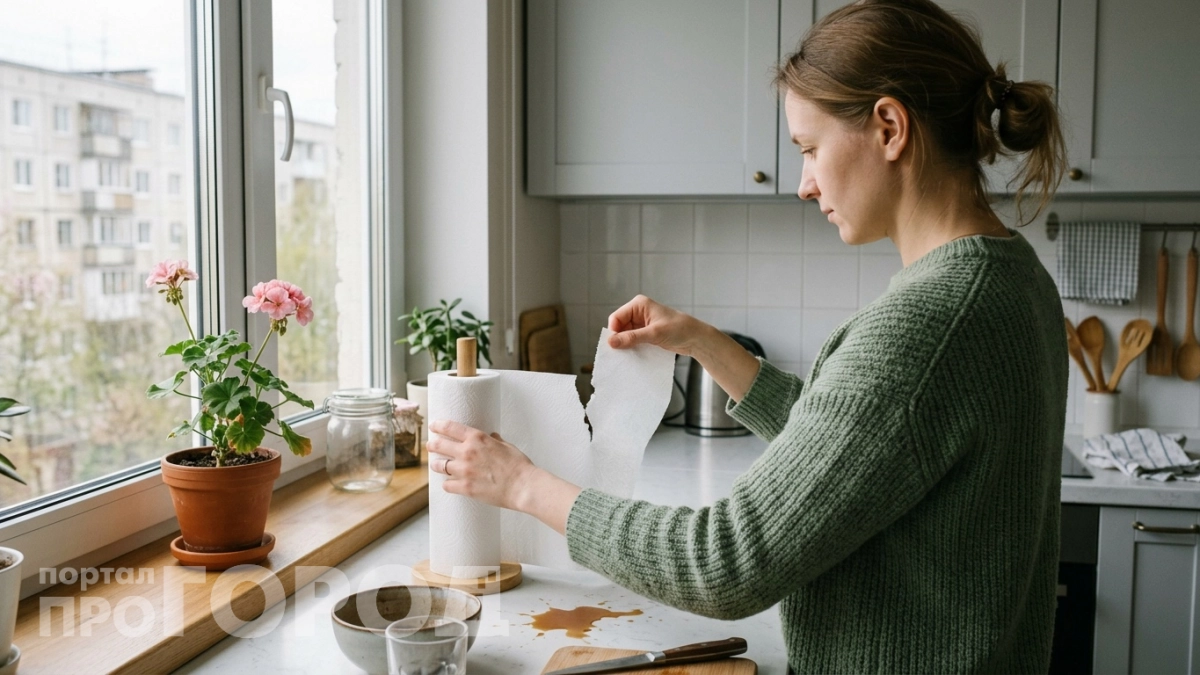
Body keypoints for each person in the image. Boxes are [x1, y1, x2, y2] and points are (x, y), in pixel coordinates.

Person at [427, 0, 1069, 671]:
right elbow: (862, 454)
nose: (803, 183)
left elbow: (726, 560)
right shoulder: (1013, 279)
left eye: (811, 149)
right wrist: (707, 344)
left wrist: (522, 483)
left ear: (888, 127)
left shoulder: (930, 319)